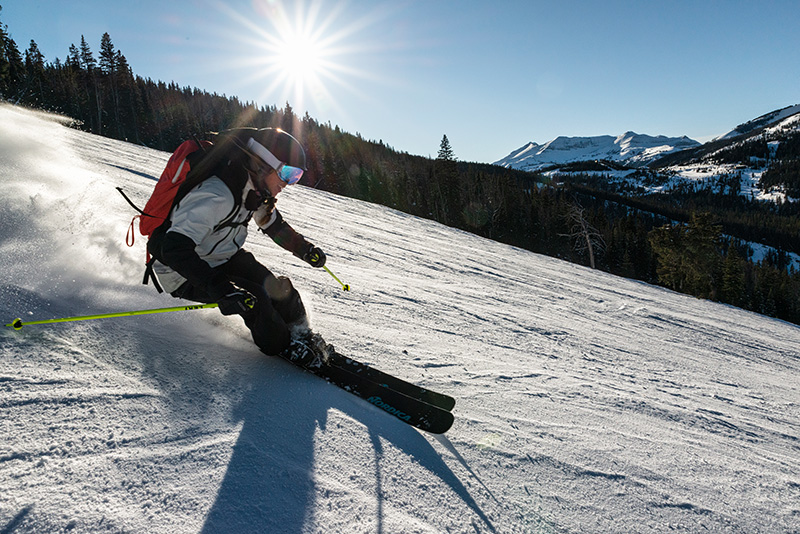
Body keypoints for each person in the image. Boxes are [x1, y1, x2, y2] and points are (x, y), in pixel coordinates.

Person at [146, 127, 326, 356]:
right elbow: (173, 248)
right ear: (263, 162)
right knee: (256, 303)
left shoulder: (255, 189)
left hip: (222, 255)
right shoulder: (217, 193)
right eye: (288, 173)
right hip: (183, 272)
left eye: (296, 177)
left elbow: (272, 224)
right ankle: (283, 346)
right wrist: (221, 289)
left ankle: (302, 335)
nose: (289, 183)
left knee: (280, 291)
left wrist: (304, 249)